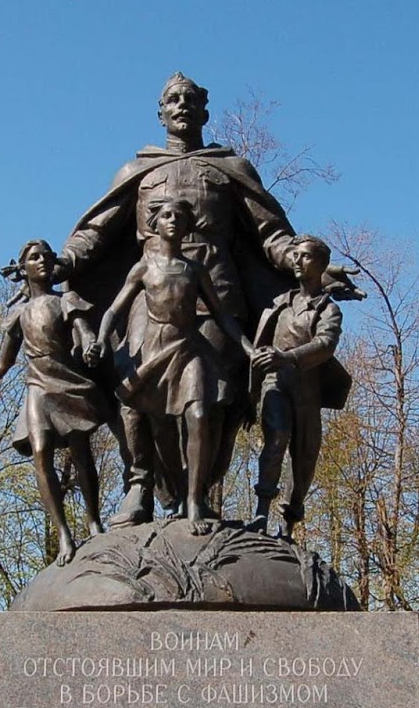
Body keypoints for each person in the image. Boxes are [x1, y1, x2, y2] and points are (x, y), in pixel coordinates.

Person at [58, 73, 303, 526]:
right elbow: (96, 232)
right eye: (173, 99)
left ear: (205, 111)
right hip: (151, 295)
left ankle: (198, 493)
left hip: (217, 295)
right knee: (135, 389)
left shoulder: (231, 169)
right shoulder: (138, 172)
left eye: (191, 99)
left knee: (213, 402)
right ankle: (140, 484)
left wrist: (304, 262)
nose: (182, 105)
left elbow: (270, 233)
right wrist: (66, 261)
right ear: (161, 112)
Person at [88, 195, 254, 533]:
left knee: (199, 414)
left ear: (188, 225)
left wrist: (249, 349)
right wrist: (102, 339)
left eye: (180, 216)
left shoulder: (195, 270)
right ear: (156, 224)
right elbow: (114, 310)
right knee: (157, 427)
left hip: (189, 347)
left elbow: (221, 314)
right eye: (167, 216)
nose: (174, 221)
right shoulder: (144, 268)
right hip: (155, 349)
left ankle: (194, 501)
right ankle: (164, 492)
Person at [0, 239, 111, 565]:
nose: (41, 261)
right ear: (23, 267)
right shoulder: (18, 314)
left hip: (67, 380)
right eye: (34, 257)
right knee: (41, 453)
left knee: (80, 453)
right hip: (37, 386)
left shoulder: (65, 300)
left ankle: (93, 520)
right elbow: (2, 364)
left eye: (46, 256)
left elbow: (84, 331)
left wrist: (89, 345)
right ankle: (63, 534)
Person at [249, 234, 352, 538]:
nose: (296, 260)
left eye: (305, 256)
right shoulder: (279, 303)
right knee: (276, 438)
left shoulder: (328, 310)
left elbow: (325, 344)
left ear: (320, 265)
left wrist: (287, 357)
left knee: (304, 459)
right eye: (295, 255)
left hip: (307, 390)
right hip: (275, 383)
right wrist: (251, 391)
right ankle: (260, 513)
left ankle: (288, 523)